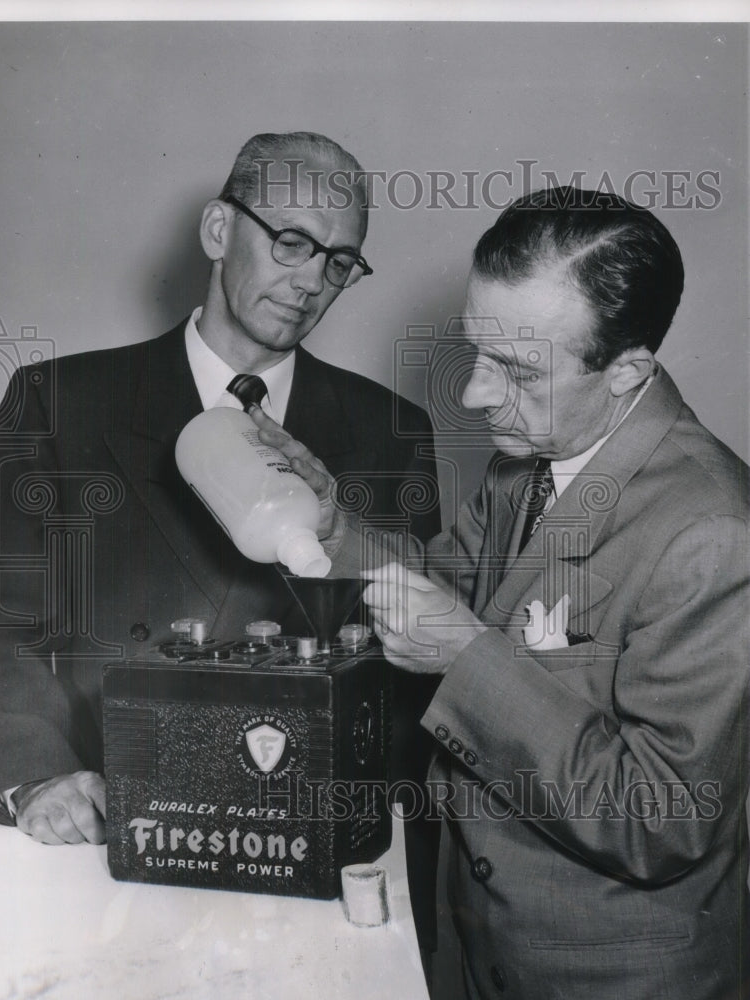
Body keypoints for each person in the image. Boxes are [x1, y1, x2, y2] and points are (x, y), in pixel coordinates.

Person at [255, 187, 749, 1000]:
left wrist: (471, 657)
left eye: (517, 370)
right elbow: (434, 587)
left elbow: (664, 821)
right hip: (480, 949)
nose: (477, 395)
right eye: (474, 354)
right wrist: (329, 522)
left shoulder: (713, 531)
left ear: (627, 367)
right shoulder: (525, 466)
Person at [0, 130, 440, 902]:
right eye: (291, 242)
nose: (310, 282)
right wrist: (35, 774)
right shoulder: (58, 405)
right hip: (106, 827)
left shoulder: (392, 430)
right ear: (218, 230)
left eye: (337, 262)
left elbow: (411, 654)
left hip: (308, 840)